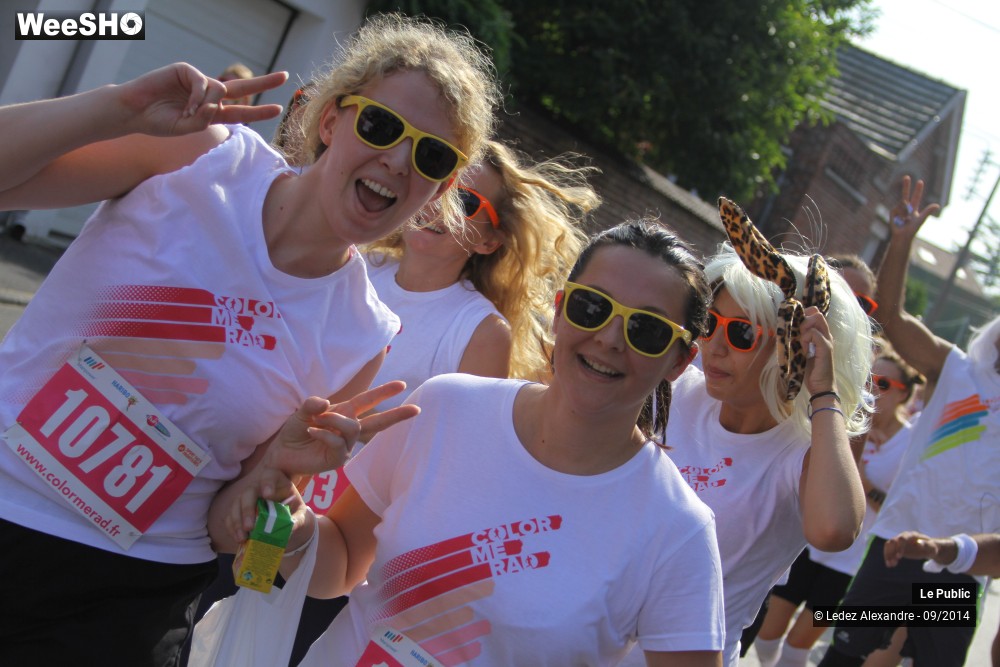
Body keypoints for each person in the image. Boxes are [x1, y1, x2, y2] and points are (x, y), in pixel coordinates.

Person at [0, 13, 499, 665]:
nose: (399, 161)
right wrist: (115, 107)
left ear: (440, 190)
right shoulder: (202, 157)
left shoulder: (363, 335)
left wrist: (275, 484)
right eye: (381, 126)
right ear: (331, 121)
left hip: (123, 605)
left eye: (433, 157)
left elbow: (234, 540)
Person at [212, 220, 726, 666]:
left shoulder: (677, 532)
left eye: (649, 331)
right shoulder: (445, 406)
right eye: (593, 307)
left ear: (681, 361)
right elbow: (341, 563)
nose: (611, 339)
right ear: (563, 308)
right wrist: (285, 516)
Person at [633, 200, 872, 667]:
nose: (715, 345)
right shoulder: (678, 389)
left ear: (793, 350)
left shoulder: (801, 454)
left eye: (741, 333)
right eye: (709, 324)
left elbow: (834, 529)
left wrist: (823, 391)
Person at [817, 176, 1000, 667]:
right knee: (846, 658)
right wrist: (901, 242)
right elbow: (893, 317)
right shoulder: (956, 367)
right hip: (895, 547)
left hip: (962, 564)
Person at [364, 139, 597, 394]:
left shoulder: (483, 333)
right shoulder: (357, 264)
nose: (440, 205)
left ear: (489, 241)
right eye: (437, 183)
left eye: (465, 201)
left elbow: (458, 432)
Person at [753, 340, 924, 667]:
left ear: (905, 395)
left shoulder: (909, 443)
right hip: (811, 548)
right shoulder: (849, 423)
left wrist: (861, 481)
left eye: (885, 384)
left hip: (852, 564)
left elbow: (899, 508)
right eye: (870, 379)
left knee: (795, 646)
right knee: (767, 635)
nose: (874, 389)